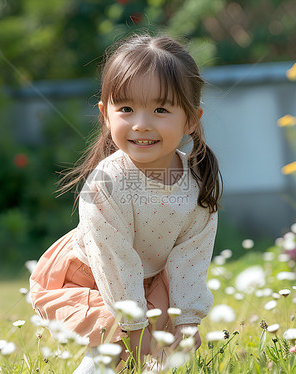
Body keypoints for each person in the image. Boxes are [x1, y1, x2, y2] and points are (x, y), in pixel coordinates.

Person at [29, 33, 222, 373]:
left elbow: (190, 260)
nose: (141, 124)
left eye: (161, 109)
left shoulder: (197, 187)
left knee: (167, 351)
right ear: (105, 114)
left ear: (191, 119)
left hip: (150, 278)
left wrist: (187, 323)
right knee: (118, 346)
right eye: (127, 108)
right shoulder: (107, 184)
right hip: (91, 276)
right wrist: (134, 329)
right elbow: (113, 261)